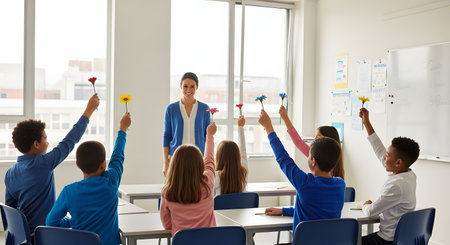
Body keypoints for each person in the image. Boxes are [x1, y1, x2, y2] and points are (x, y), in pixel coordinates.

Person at [4, 94, 99, 233]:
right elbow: (70, 140)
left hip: (24, 235)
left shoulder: (10, 173)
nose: (47, 143)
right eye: (45, 138)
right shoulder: (43, 164)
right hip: (45, 235)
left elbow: (11, 211)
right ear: (36, 144)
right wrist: (89, 111)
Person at [46, 112, 132, 245]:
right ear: (103, 164)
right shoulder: (111, 181)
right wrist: (123, 129)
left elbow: (51, 222)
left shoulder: (69, 191)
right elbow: (117, 156)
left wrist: (71, 221)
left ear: (77, 165)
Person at [258, 110, 345, 234]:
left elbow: (283, 158)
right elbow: (314, 210)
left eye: (309, 155)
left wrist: (268, 128)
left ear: (313, 161)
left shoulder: (305, 184)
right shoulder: (340, 185)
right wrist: (284, 211)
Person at [359, 108, 419, 245]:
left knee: (350, 240)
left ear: (398, 163)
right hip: (402, 238)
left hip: (388, 240)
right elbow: (379, 150)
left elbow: (371, 212)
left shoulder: (396, 185)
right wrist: (367, 123)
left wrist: (365, 205)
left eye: (388, 156)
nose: (384, 157)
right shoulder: (408, 175)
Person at [160, 122, 217, 235]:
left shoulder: (167, 192)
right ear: (199, 164)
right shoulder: (207, 182)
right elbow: (209, 160)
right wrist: (209, 135)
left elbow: (167, 225)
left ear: (174, 167)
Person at [162, 72, 211, 176]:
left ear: (197, 87)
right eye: (185, 86)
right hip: (176, 159)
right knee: (177, 191)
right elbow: (167, 136)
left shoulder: (204, 109)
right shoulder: (171, 109)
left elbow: (208, 137)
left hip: (198, 160)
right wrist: (165, 163)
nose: (188, 90)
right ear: (180, 86)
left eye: (192, 86)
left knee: (196, 191)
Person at [279, 105, 344, 179]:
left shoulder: (326, 167)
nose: (314, 141)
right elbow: (298, 142)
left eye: (318, 138)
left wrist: (285, 118)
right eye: (315, 138)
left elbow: (298, 142)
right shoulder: (338, 182)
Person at [214, 115, 248, 195]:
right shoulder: (243, 173)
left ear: (219, 157)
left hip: (220, 208)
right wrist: (240, 128)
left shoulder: (215, 177)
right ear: (237, 156)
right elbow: (243, 149)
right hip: (241, 208)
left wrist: (209, 134)